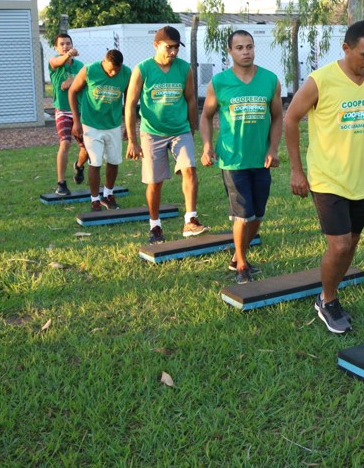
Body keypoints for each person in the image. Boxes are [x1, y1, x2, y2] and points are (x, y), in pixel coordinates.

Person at [283, 20, 364, 334]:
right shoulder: (321, 81)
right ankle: (327, 300)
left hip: (362, 179)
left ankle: (331, 291)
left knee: (351, 244)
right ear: (346, 48)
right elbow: (291, 119)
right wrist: (296, 170)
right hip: (327, 178)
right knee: (339, 246)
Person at [200, 30, 283, 284]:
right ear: (230, 52)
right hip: (233, 159)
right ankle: (242, 265)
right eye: (239, 47)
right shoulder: (219, 82)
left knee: (258, 214)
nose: (245, 52)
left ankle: (238, 255)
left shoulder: (270, 80)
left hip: (261, 159)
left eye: (249, 46)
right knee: (242, 214)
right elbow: (206, 116)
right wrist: (206, 146)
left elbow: (278, 117)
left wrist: (273, 149)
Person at [125, 25, 209, 244]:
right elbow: (130, 104)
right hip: (151, 133)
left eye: (176, 48)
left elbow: (190, 100)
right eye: (168, 47)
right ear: (156, 45)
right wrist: (132, 140)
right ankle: (155, 225)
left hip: (180, 130)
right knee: (155, 182)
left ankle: (190, 220)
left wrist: (191, 130)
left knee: (189, 169)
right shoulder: (142, 69)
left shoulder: (184, 69)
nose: (173, 52)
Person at [67, 49, 131, 211]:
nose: (113, 73)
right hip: (91, 123)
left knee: (114, 161)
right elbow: (72, 91)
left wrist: (128, 125)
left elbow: (129, 101)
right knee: (95, 162)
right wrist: (76, 121)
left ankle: (108, 195)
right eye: (111, 69)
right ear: (104, 61)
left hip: (113, 124)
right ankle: (95, 200)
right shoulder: (90, 70)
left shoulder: (126, 73)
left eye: (117, 70)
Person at [49, 33, 89, 195]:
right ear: (56, 48)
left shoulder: (80, 65)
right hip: (63, 111)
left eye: (68, 43)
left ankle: (79, 166)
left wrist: (72, 81)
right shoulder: (54, 62)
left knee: (87, 148)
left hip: (79, 111)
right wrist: (67, 55)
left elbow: (86, 80)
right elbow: (58, 62)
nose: (65, 46)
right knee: (65, 143)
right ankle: (61, 183)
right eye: (62, 44)